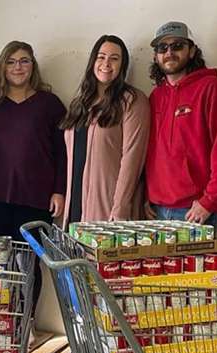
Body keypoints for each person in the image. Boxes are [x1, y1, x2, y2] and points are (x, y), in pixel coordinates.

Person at [0, 40, 66, 310]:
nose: (17, 67)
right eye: (11, 62)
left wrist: (59, 190)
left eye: (24, 61)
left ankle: (26, 321)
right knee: (2, 263)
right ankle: (6, 318)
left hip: (36, 199)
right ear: (2, 67)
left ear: (33, 66)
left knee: (30, 264)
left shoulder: (50, 104)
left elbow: (62, 152)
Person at [145, 21, 217, 228]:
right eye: (162, 48)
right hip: (155, 211)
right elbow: (149, 153)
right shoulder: (155, 97)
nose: (169, 53)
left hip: (194, 211)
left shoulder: (213, 89)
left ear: (191, 51)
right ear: (156, 56)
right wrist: (146, 196)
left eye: (177, 46)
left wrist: (209, 201)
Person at [60, 35, 150, 227]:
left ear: (122, 65)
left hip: (108, 209)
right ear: (93, 61)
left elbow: (132, 159)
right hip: (75, 205)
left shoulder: (132, 101)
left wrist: (120, 209)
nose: (106, 64)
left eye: (114, 58)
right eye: (101, 57)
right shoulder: (80, 103)